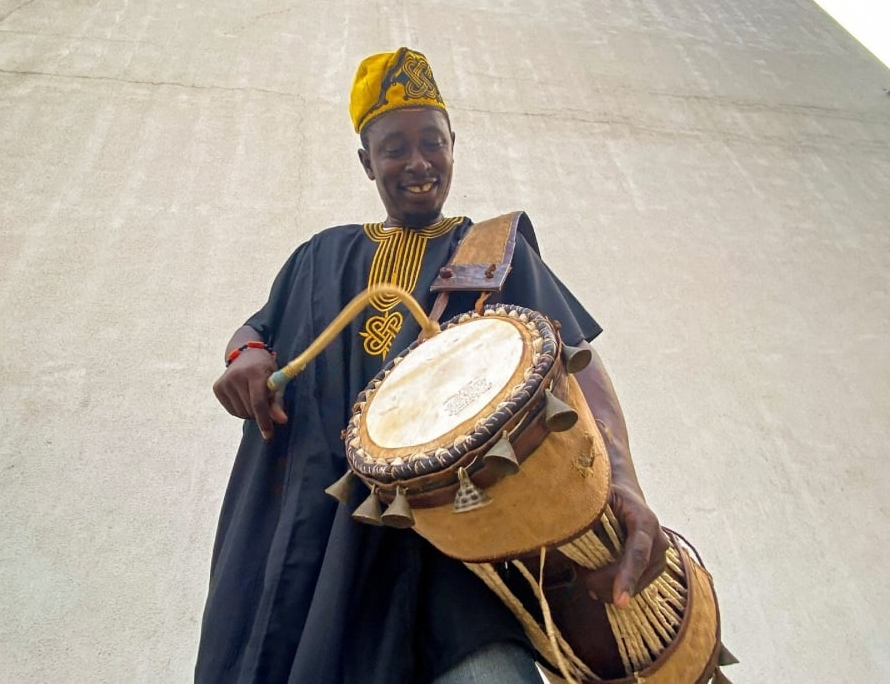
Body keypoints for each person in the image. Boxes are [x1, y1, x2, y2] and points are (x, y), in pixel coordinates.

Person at [196, 47, 668, 684]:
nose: (418, 163)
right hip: (310, 553)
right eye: (395, 148)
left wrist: (625, 484)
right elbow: (257, 332)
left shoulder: (494, 252)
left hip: (453, 562)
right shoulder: (318, 255)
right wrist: (245, 357)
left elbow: (577, 362)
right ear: (368, 162)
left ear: (453, 145)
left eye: (432, 142)